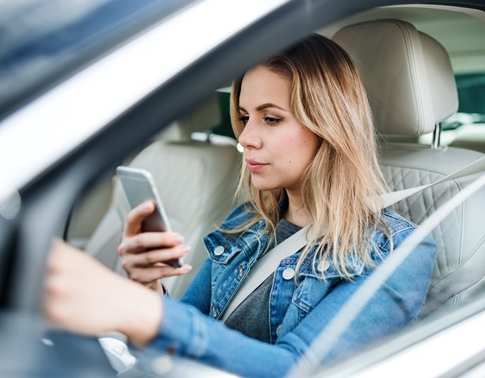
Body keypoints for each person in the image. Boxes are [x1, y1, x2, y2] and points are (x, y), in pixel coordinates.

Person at [44, 34, 437, 378]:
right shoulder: (249, 222)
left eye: (270, 118)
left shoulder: (398, 250)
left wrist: (144, 314)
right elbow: (185, 339)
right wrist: (148, 289)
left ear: (328, 125)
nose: (245, 137)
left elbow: (295, 369)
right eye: (245, 117)